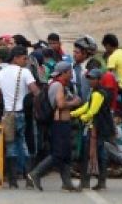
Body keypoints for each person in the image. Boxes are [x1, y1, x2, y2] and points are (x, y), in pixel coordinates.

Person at [0, 45, 39, 188]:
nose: (26, 61)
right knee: (24, 145)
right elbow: (35, 92)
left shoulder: (1, 73)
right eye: (24, 58)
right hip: (22, 114)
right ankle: (29, 180)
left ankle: (12, 181)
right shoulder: (25, 73)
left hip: (7, 115)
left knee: (10, 146)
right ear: (16, 58)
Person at [27, 61, 82, 191]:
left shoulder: (61, 85)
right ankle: (35, 174)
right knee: (58, 154)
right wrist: (74, 102)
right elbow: (61, 104)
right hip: (59, 124)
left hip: (64, 123)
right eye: (69, 72)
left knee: (66, 154)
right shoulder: (58, 85)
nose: (71, 74)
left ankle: (66, 183)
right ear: (64, 73)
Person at [70, 69, 114, 190]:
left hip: (95, 128)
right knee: (97, 154)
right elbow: (87, 106)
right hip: (96, 127)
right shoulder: (95, 92)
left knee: (88, 154)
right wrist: (74, 114)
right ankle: (100, 181)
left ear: (99, 80)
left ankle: (86, 182)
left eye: (93, 78)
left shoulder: (98, 93)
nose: (90, 81)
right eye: (89, 78)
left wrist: (81, 117)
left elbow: (92, 111)